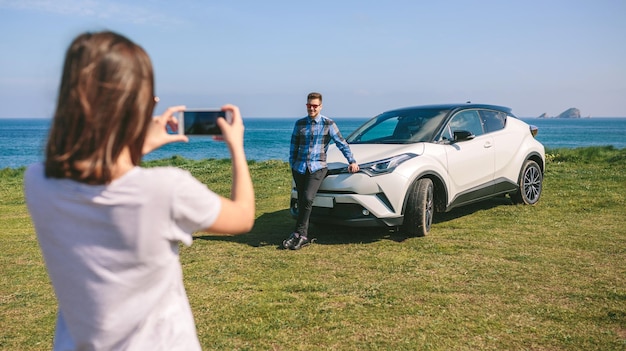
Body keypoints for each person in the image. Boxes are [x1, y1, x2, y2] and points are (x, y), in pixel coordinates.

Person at [23, 31, 255, 350]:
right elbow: (242, 217)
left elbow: (105, 177)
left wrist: (138, 143)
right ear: (136, 105)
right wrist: (237, 148)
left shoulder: (37, 182)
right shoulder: (166, 190)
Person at [283, 92, 359, 250]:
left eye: (315, 106)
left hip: (318, 167)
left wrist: (351, 161)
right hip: (299, 167)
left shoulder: (328, 124)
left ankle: (301, 235)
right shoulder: (300, 124)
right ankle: (298, 234)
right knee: (303, 200)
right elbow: (293, 145)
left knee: (307, 197)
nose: (312, 108)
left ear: (320, 106)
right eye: (309, 105)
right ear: (306, 105)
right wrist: (292, 163)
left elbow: (341, 143)